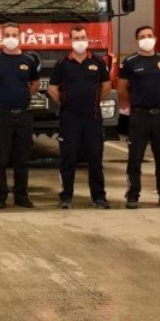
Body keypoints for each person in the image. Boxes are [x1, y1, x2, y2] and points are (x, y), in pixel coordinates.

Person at [47, 26, 111, 209]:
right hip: (69, 119)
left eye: (83, 37)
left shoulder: (97, 62)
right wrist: (65, 102)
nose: (80, 41)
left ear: (87, 39)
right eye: (76, 38)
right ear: (70, 40)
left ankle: (99, 197)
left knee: (95, 160)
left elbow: (106, 85)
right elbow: (52, 89)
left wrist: (95, 99)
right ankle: (66, 197)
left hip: (93, 118)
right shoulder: (62, 64)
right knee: (68, 160)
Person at [0, 22, 41, 209]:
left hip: (23, 115)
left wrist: (23, 96)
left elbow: (35, 84)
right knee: (0, 158)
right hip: (1, 115)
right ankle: (1, 195)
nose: (11, 38)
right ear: (2, 36)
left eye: (15, 34)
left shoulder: (29, 60)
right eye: (7, 34)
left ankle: (21, 195)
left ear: (20, 37)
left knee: (22, 159)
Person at [118, 25, 160, 210]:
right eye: (142, 36)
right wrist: (136, 103)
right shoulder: (130, 62)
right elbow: (121, 88)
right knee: (135, 159)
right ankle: (133, 195)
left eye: (150, 35)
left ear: (155, 38)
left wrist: (157, 100)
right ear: (137, 40)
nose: (146, 39)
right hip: (139, 116)